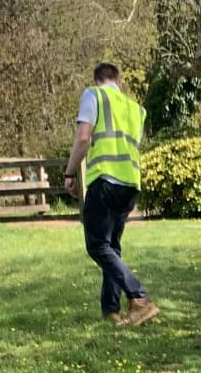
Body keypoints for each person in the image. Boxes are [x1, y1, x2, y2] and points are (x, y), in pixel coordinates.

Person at [64, 62, 160, 328]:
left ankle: (139, 298)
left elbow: (84, 138)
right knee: (111, 247)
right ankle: (111, 311)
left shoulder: (93, 95)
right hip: (130, 183)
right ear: (119, 81)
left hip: (105, 179)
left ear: (97, 80)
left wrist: (70, 172)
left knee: (97, 246)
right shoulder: (135, 109)